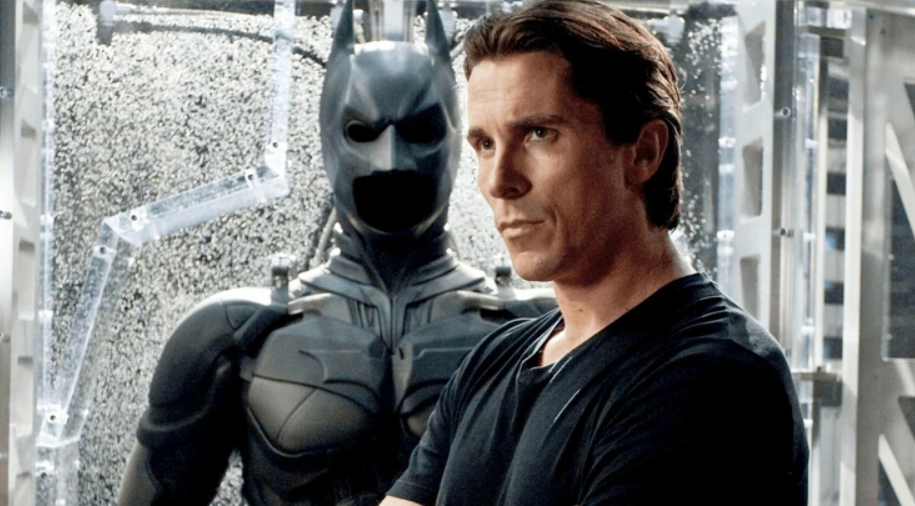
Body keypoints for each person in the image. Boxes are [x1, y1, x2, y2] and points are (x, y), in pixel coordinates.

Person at [115, 1, 555, 504]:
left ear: (462, 142)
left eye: (420, 132)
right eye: (363, 132)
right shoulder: (230, 337)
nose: (390, 162)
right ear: (329, 138)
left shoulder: (542, 334)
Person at [381, 1, 810, 505]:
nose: (499, 181)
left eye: (538, 134)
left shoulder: (714, 378)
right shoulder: (492, 362)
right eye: (485, 145)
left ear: (643, 153)